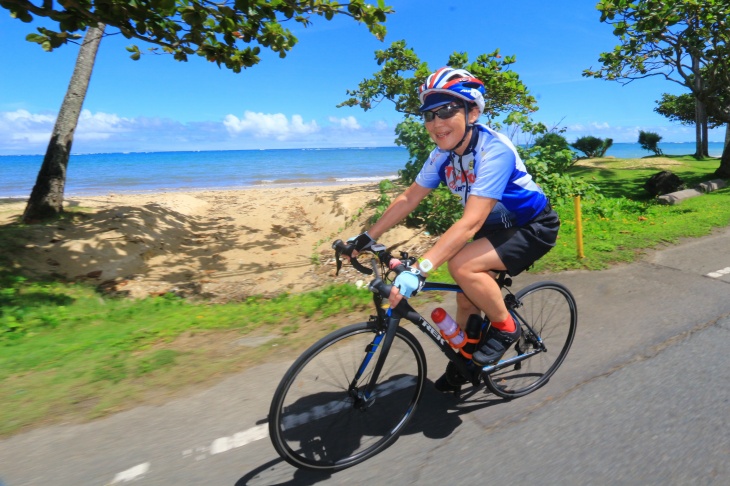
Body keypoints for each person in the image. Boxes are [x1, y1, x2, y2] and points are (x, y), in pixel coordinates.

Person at [347, 67, 560, 393]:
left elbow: (469, 223)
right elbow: (408, 198)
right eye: (429, 115)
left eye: (447, 110)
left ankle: (506, 327)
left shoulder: (494, 151)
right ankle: (465, 365)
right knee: (465, 301)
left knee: (461, 265)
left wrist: (419, 270)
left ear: (472, 111)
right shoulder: (441, 156)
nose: (436, 122)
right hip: (495, 229)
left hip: (532, 226)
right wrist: (367, 237)